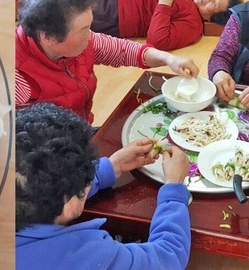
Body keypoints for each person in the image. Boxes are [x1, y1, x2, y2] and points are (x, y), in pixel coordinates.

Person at [16, 102, 192, 269]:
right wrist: (174, 186)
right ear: (68, 204)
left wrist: (111, 167)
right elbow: (168, 257)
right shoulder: (90, 256)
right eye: (86, 181)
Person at [15, 0, 200, 124]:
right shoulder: (15, 78)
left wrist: (169, 59)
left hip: (80, 131)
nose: (92, 35)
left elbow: (123, 50)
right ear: (48, 37)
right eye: (84, 30)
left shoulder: (80, 42)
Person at [89, 0, 243, 50]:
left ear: (211, 18)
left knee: (67, 0)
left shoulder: (193, 25)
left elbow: (157, 42)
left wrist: (164, 3)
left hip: (113, 10)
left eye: (213, 4)